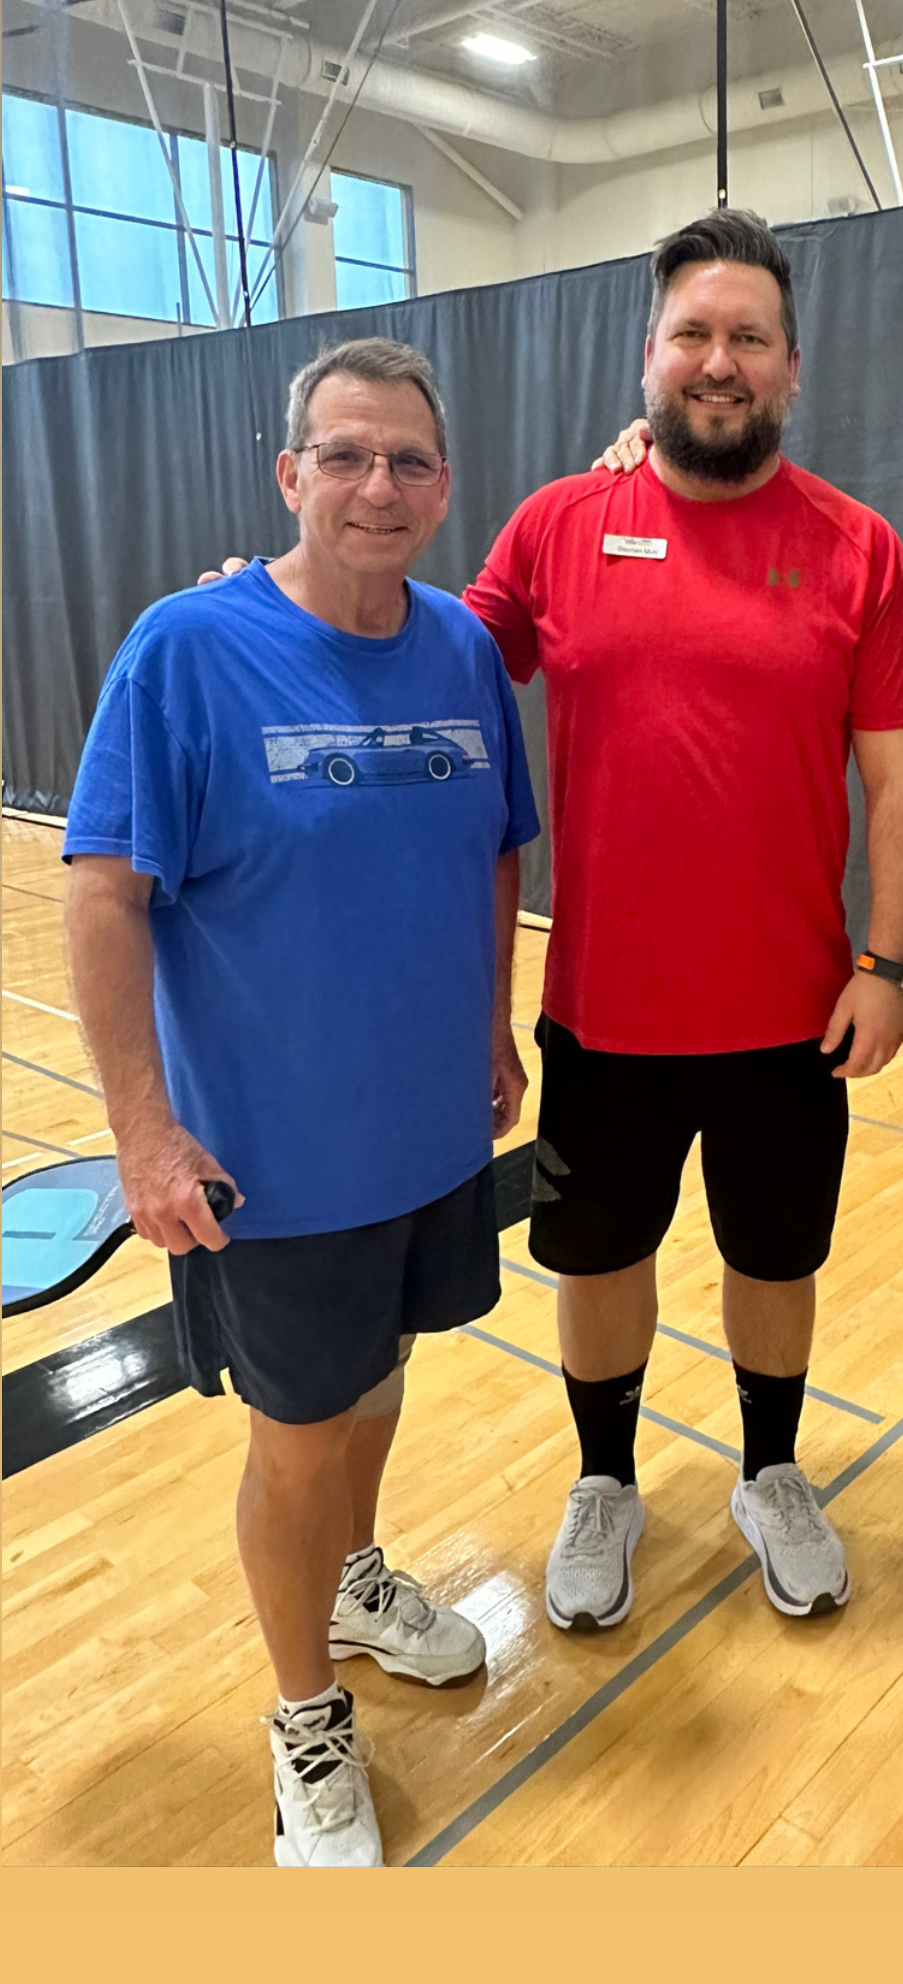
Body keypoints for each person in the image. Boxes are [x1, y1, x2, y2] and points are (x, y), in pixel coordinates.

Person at [65, 337, 540, 1866]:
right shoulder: (184, 649)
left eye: (405, 459)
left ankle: (354, 1576)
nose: (375, 484)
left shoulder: (465, 649)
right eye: (343, 454)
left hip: (423, 1134)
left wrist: (490, 1026)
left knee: (379, 1380)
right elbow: (102, 892)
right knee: (292, 1434)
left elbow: (492, 849)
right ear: (289, 474)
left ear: (444, 485)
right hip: (267, 1164)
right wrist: (145, 1129)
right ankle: (301, 1713)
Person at [465, 210, 903, 1630]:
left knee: (772, 1260)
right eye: (692, 334)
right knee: (597, 1259)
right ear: (650, 357)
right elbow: (421, 665)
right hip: (601, 1007)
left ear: (791, 368)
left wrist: (884, 966)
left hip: (793, 1012)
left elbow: (901, 778)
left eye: (746, 337)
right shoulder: (557, 524)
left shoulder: (859, 552)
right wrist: (272, 612)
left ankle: (772, 1468)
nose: (717, 359)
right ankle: (604, 1480)